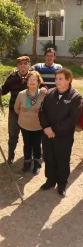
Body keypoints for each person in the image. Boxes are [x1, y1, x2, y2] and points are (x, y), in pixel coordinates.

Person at [39, 68, 82, 197]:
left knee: (62, 160)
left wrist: (54, 129)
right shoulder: (49, 93)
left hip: (64, 137)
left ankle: (62, 184)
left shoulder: (76, 97)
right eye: (56, 79)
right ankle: (50, 180)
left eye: (60, 79)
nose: (57, 81)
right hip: (47, 135)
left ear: (69, 80)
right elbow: (41, 112)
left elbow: (72, 119)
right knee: (48, 157)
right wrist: (46, 127)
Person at [0, 56, 37, 164]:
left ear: (29, 65)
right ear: (17, 66)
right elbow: (3, 91)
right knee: (13, 135)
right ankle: (11, 155)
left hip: (29, 112)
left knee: (29, 136)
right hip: (14, 112)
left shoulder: (34, 76)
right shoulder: (12, 77)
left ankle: (28, 158)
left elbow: (42, 88)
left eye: (25, 63)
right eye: (20, 64)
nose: (23, 66)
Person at [14, 71, 45, 175]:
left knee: (37, 145)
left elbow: (46, 111)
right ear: (26, 82)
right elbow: (16, 108)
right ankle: (27, 163)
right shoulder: (21, 94)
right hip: (24, 125)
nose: (32, 82)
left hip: (38, 126)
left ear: (38, 82)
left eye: (34, 80)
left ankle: (37, 164)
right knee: (27, 144)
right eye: (30, 79)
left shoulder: (43, 94)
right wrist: (25, 116)